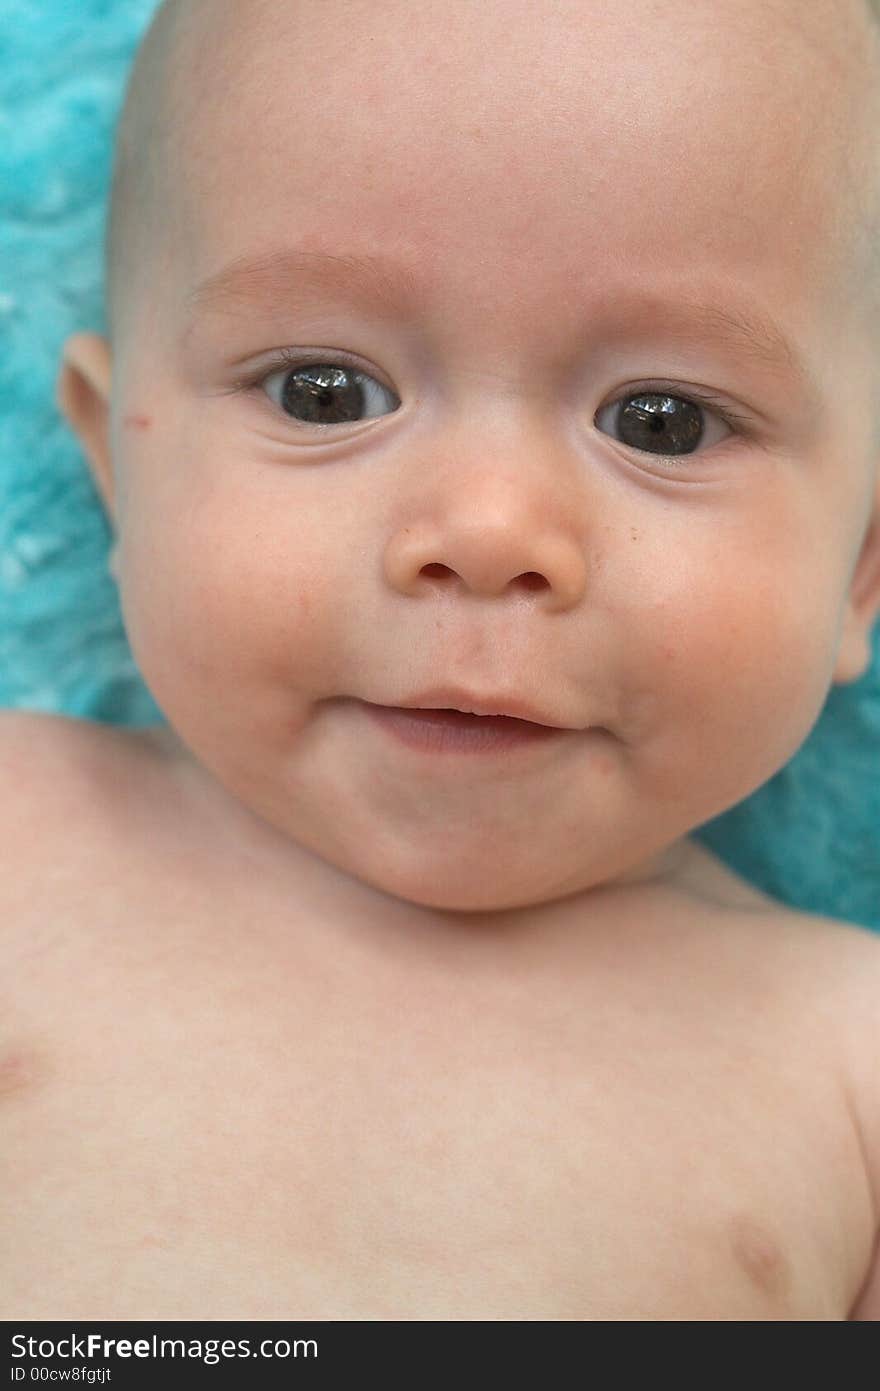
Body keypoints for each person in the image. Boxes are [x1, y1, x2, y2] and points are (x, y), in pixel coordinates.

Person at [3, 0, 880, 1319]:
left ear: (864, 566)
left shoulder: (849, 1064)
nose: (485, 534)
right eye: (324, 393)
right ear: (116, 463)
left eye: (665, 420)